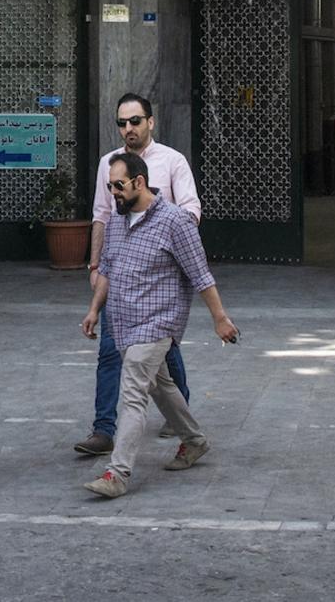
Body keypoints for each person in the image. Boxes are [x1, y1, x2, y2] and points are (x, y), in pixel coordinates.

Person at [79, 151, 239, 499]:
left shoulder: (175, 222)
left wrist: (220, 318)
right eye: (109, 187)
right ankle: (194, 440)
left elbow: (200, 275)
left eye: (118, 186)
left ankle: (117, 473)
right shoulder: (118, 222)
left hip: (158, 322)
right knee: (160, 386)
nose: (113, 194)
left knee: (133, 391)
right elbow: (106, 269)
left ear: (139, 182)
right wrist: (94, 311)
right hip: (123, 323)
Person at [75, 94, 200, 458]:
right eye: (122, 123)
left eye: (135, 121)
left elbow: (191, 209)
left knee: (163, 349)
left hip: (162, 278)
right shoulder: (108, 165)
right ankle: (103, 428)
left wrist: (165, 237)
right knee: (112, 349)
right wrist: (95, 266)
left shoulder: (172, 161)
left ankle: (180, 412)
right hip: (121, 276)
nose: (128, 129)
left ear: (151, 121)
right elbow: (102, 215)